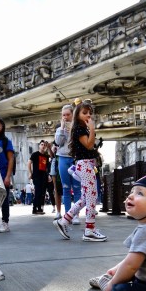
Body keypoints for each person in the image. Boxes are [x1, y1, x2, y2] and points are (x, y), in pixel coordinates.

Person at [53, 101, 106, 242]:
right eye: (85, 113)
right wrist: (92, 129)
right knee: (91, 197)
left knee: (85, 198)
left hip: (85, 164)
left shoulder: (82, 128)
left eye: (90, 112)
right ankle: (89, 230)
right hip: (85, 165)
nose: (88, 115)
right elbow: (89, 145)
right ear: (77, 115)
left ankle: (64, 221)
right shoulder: (80, 129)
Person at [54, 104, 81, 225]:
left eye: (68, 114)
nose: (65, 117)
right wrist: (62, 129)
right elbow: (58, 142)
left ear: (72, 114)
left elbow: (80, 142)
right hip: (63, 158)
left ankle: (75, 215)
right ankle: (67, 214)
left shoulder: (78, 126)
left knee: (76, 187)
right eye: (63, 115)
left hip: (75, 158)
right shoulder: (59, 129)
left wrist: (72, 131)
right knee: (65, 187)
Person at [28, 140, 50, 215]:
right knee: (37, 192)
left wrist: (48, 175)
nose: (43, 146)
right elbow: (29, 163)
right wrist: (30, 173)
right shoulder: (35, 154)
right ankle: (34, 209)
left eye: (44, 145)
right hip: (36, 176)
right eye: (42, 144)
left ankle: (40, 208)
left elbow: (47, 167)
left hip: (44, 176)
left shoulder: (46, 156)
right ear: (39, 145)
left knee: (43, 193)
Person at [49, 142, 62, 220]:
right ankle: (58, 212)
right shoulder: (55, 142)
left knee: (66, 190)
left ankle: (71, 213)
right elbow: (52, 156)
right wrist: (50, 148)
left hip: (65, 163)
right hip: (55, 165)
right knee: (56, 190)